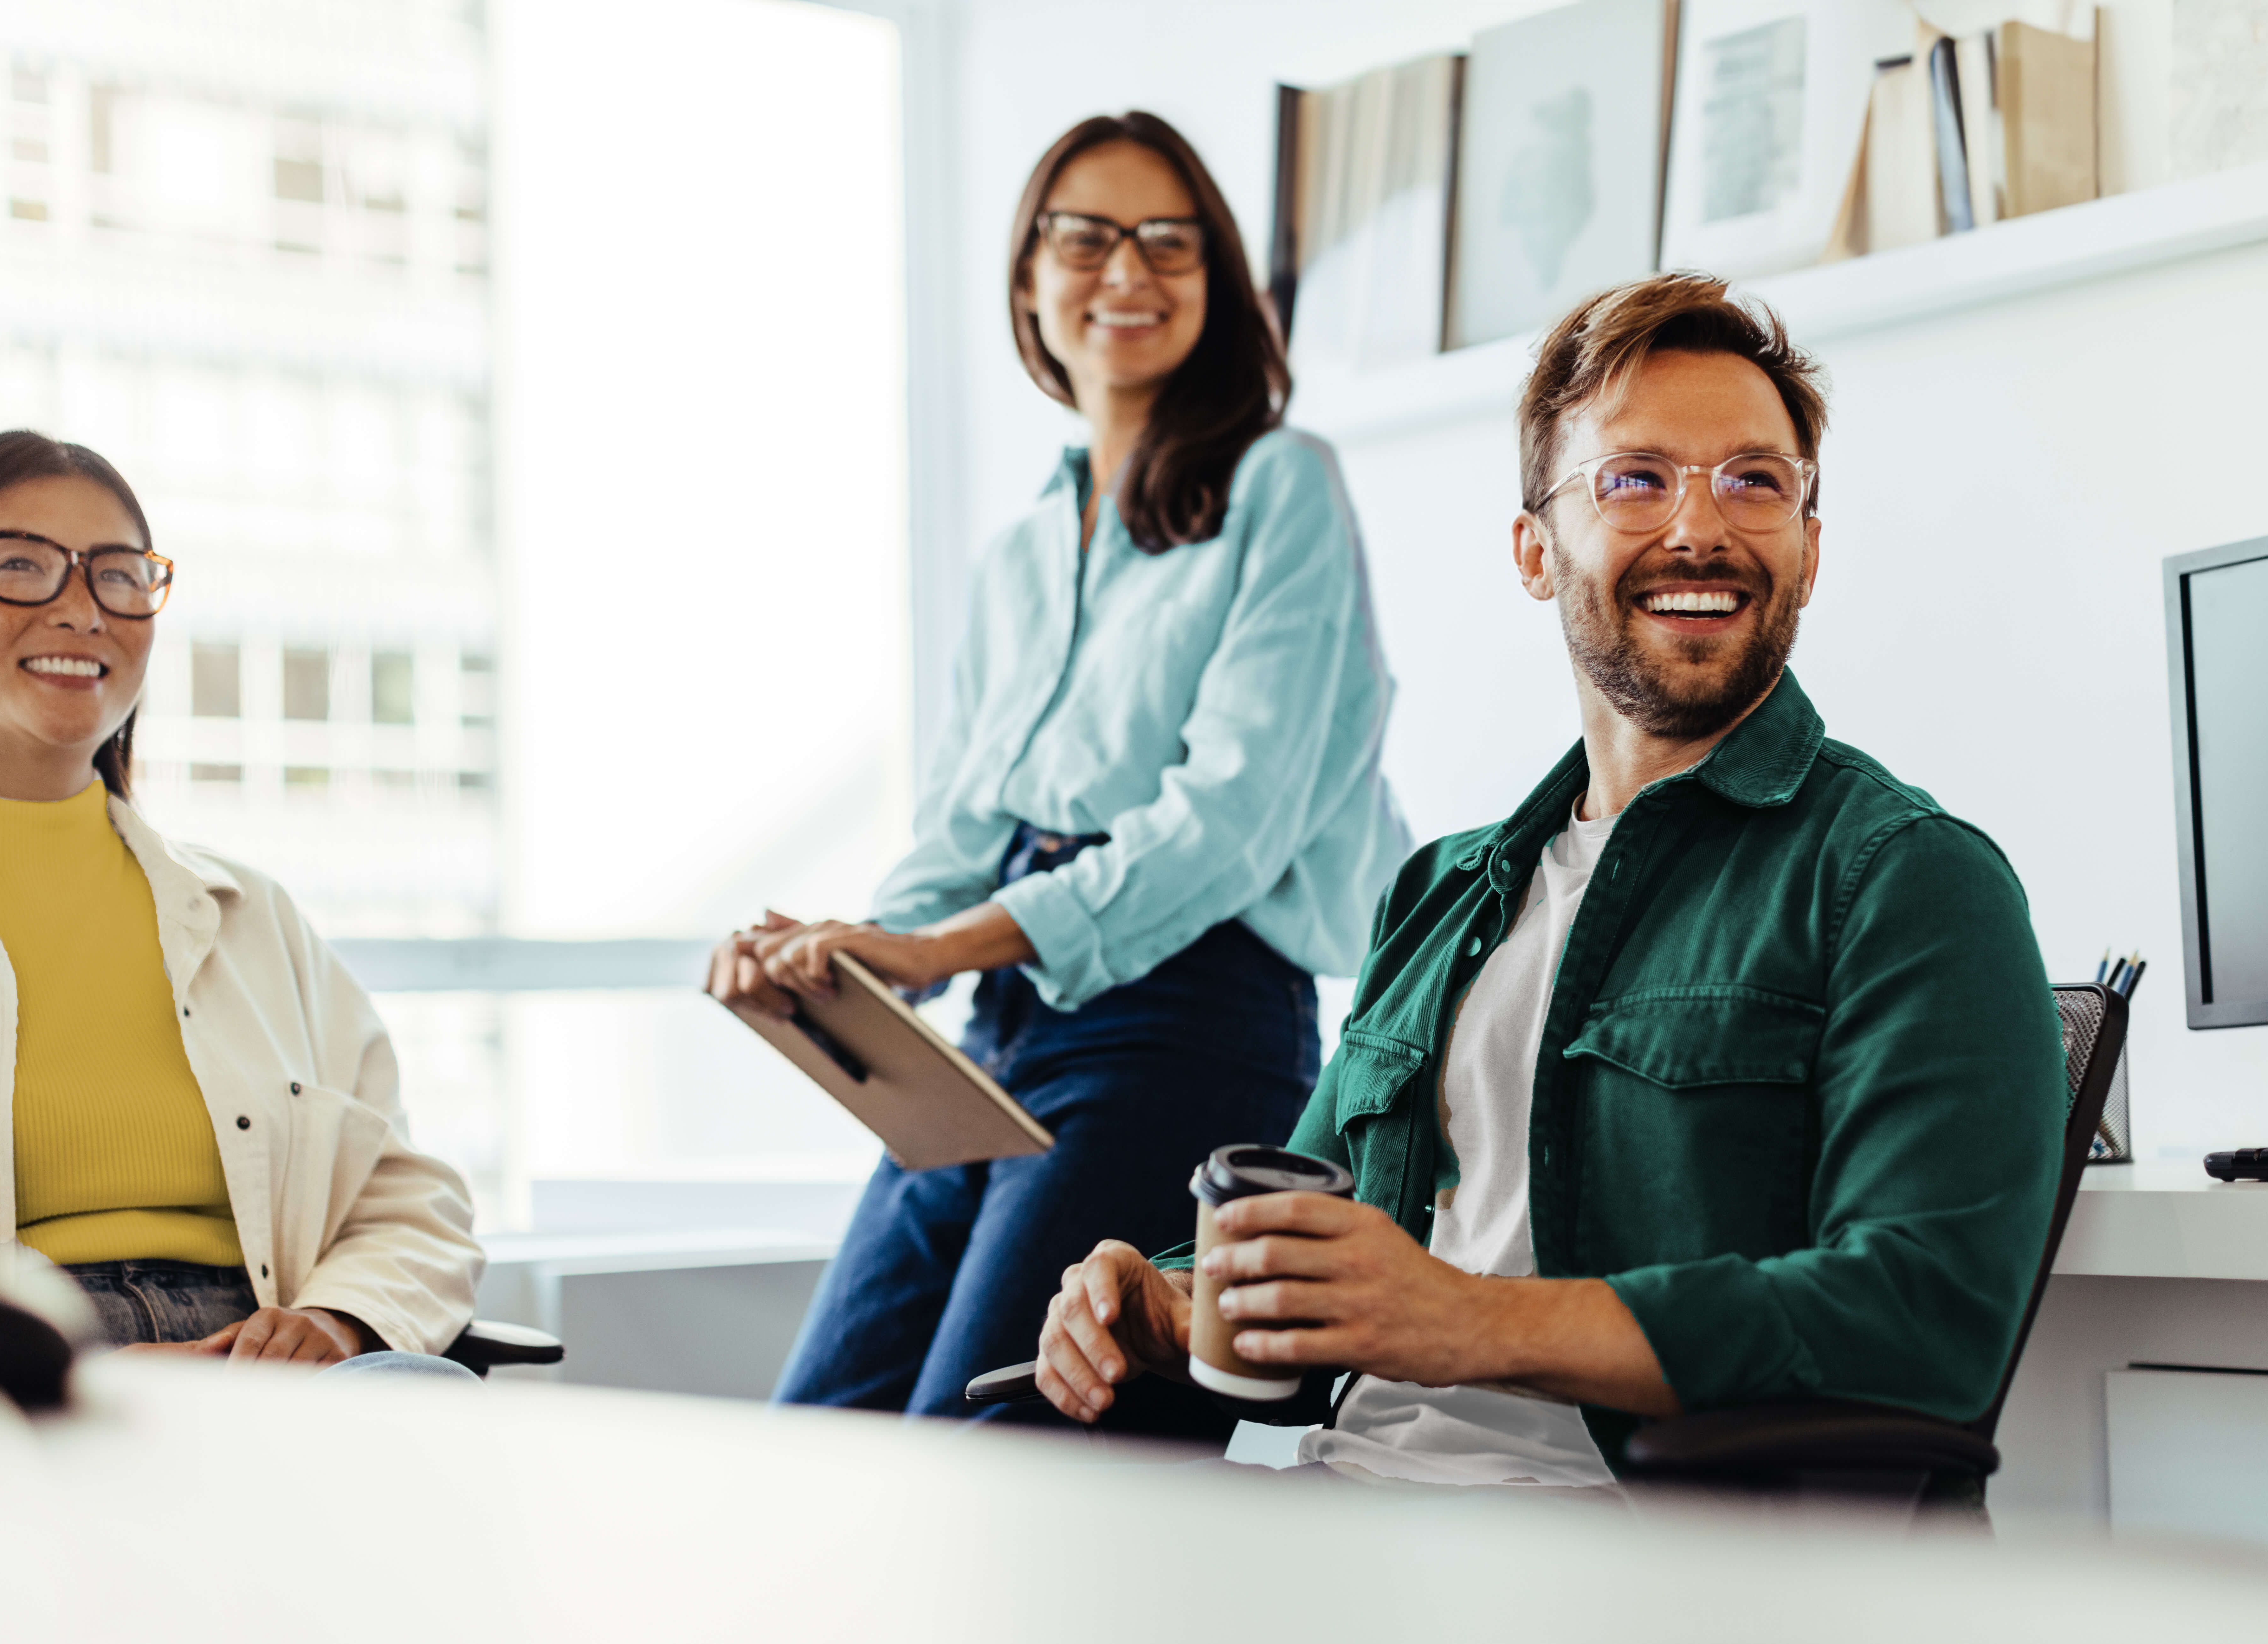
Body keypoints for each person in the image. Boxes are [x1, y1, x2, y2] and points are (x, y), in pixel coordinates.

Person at [1029, 274, 2067, 1487]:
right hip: (1340, 1526)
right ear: (1536, 548)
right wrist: (1164, 1300)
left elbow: (1919, 1324)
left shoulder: (1908, 882)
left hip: (1614, 1583)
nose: (1701, 528)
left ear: (1809, 547)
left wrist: (1466, 1320)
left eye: (1755, 481)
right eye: (1635, 479)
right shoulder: (1439, 894)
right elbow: (1315, 1273)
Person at [709, 112, 1405, 1432]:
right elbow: (967, 821)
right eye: (1084, 236)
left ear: (1219, 278)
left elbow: (1226, 826)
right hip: (1001, 1032)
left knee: (981, 1462)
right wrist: (834, 957)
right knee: (817, 1431)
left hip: (1183, 1028)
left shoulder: (1282, 488)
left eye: (1167, 239)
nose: (1126, 271)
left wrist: (936, 949)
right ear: (1029, 275)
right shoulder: (1022, 548)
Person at [0, 431, 482, 1378]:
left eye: (120, 577)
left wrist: (340, 1318)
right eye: (21, 567)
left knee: (417, 1386)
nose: (83, 610)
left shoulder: (252, 916)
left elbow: (407, 1203)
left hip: (260, 1369)